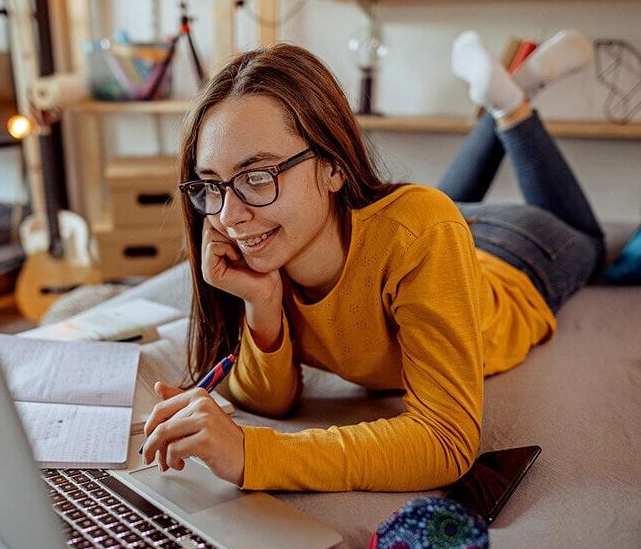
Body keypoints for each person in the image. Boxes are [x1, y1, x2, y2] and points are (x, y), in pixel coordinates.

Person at [140, 31, 605, 492]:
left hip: (515, 256)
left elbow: (445, 442)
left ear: (335, 166)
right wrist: (262, 301)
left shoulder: (422, 230)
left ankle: (512, 105)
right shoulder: (270, 248)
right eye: (211, 185)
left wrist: (253, 454)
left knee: (588, 240)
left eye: (258, 176)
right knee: (433, 208)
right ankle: (504, 93)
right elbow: (270, 402)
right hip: (437, 227)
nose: (229, 216)